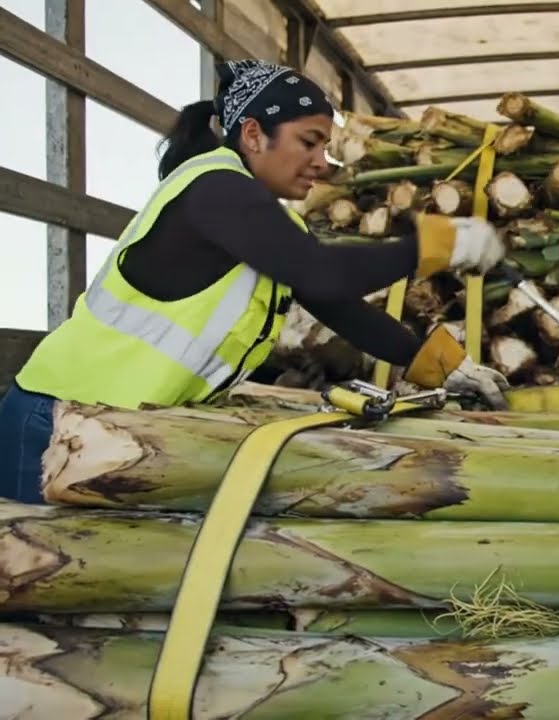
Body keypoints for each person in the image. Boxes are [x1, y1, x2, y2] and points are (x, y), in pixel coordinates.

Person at [0, 60, 510, 504]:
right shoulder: (215, 188)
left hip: (114, 426)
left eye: (325, 146)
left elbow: (336, 302)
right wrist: (433, 246)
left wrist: (442, 367)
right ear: (252, 135)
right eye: (308, 142)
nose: (321, 163)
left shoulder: (267, 222)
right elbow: (322, 270)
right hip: (53, 420)